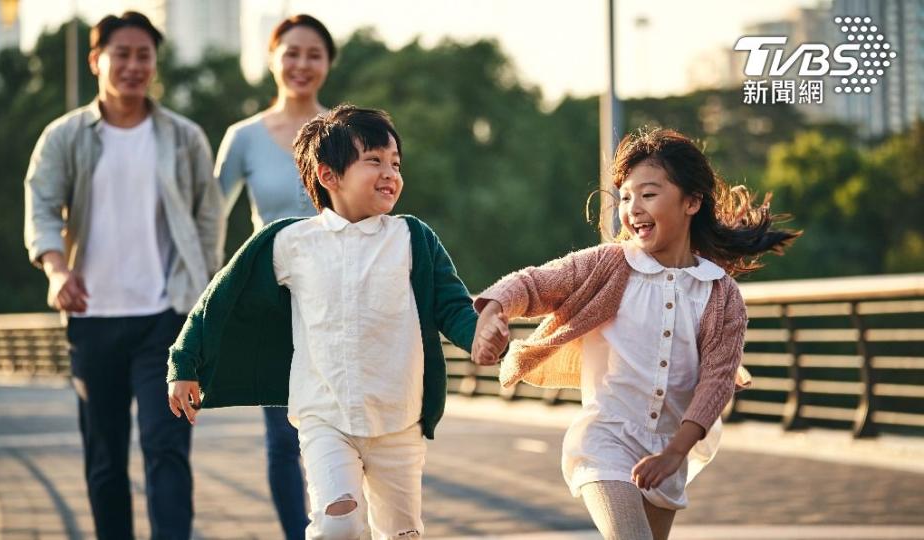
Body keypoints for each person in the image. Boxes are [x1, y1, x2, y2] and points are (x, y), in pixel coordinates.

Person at [167, 105, 502, 539]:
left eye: (395, 163)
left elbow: (453, 307)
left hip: (398, 419)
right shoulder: (291, 242)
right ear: (329, 176)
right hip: (324, 416)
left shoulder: (412, 238)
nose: (390, 173)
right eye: (374, 161)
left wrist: (480, 335)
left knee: (403, 533)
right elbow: (219, 300)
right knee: (337, 522)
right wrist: (184, 363)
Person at [471, 128, 799, 540]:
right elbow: (534, 282)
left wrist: (676, 452)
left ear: (692, 202)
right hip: (605, 436)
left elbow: (717, 380)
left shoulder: (720, 293)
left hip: (671, 445)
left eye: (648, 194)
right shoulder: (609, 265)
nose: (633, 208)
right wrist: (494, 310)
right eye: (625, 196)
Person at [23, 11, 224, 539]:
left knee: (166, 450)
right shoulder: (64, 136)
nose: (134, 65)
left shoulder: (184, 138)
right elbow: (41, 206)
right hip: (93, 320)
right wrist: (56, 268)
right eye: (122, 54)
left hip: (168, 320)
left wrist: (203, 305)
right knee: (106, 458)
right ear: (97, 60)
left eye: (145, 55)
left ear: (155, 63)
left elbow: (209, 219)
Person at [214, 14, 335, 538]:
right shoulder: (242, 138)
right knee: (283, 438)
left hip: (340, 298)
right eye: (291, 53)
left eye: (314, 54)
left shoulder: (345, 131)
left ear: (328, 63)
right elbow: (207, 217)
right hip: (273, 303)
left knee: (344, 429)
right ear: (271, 58)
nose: (301, 64)